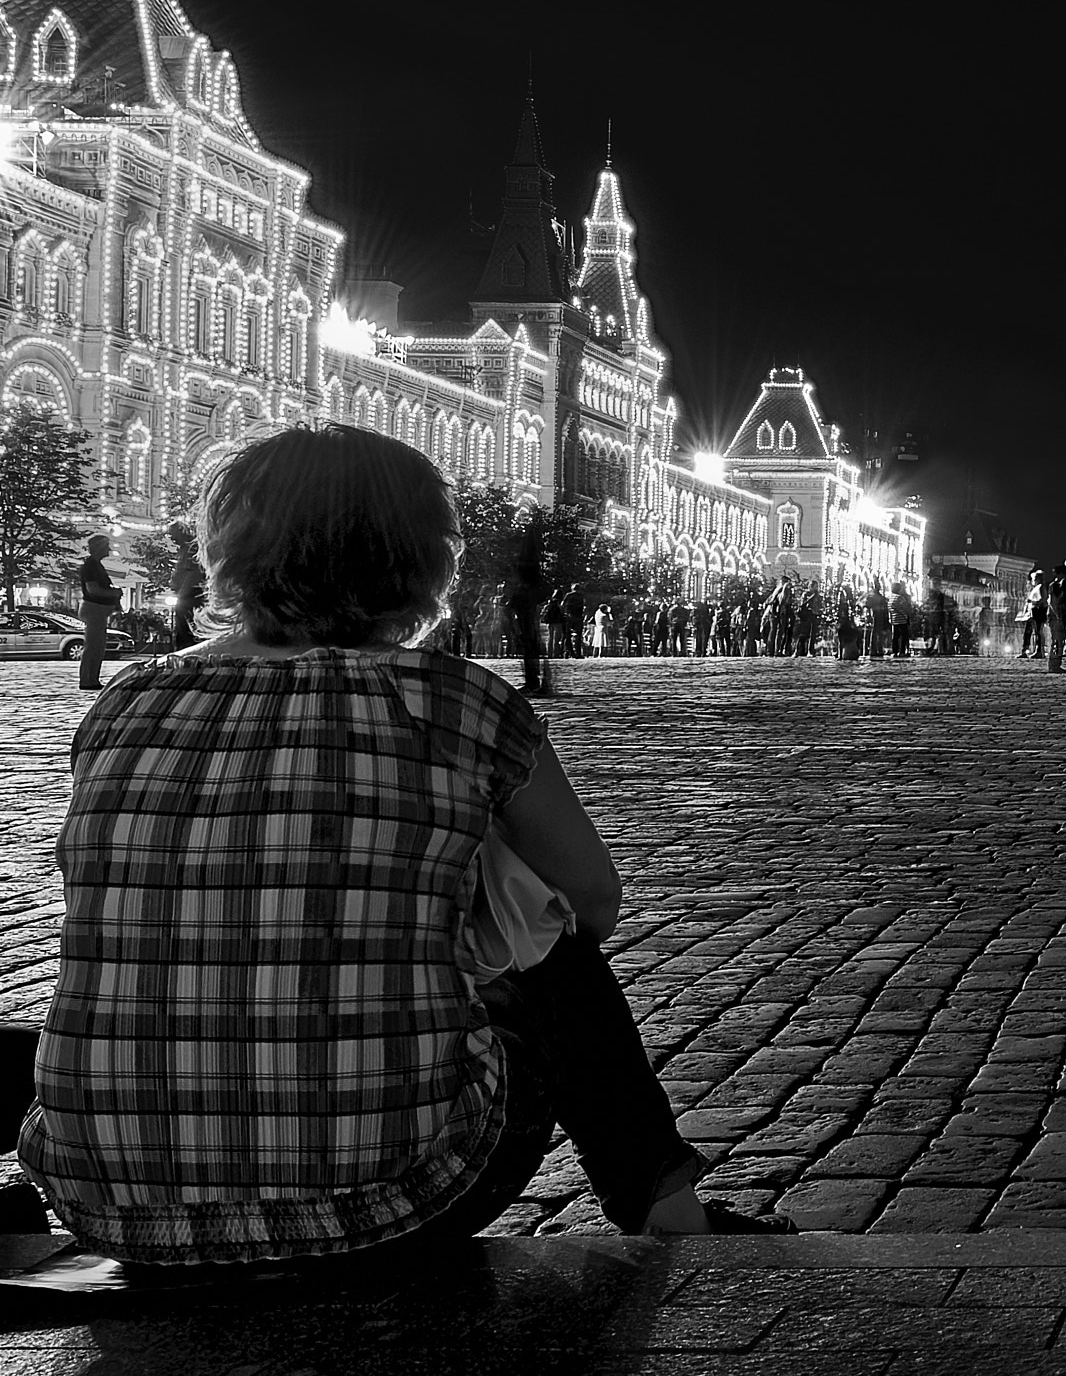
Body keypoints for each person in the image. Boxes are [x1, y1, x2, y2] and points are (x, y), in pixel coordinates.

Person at [8, 425, 790, 1273]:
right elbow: (595, 899)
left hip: (111, 1202)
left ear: (228, 547)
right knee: (550, 941)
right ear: (422, 559)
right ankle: (670, 1211)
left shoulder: (126, 703)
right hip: (398, 1195)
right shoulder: (460, 703)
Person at [74, 533, 123, 691]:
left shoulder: (94, 565)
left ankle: (91, 678)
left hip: (97, 610)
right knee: (94, 646)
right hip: (94, 609)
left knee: (96, 646)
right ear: (98, 548)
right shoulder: (91, 566)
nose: (108, 549)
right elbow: (93, 589)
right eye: (106, 546)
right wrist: (113, 593)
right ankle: (88, 680)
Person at [505, 519, 547, 695]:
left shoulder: (526, 567)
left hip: (526, 611)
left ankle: (533, 681)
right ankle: (535, 680)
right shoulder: (533, 565)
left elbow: (523, 588)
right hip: (528, 610)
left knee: (529, 646)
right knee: (531, 646)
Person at [169, 523, 206, 650]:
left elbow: (194, 572)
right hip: (185, 594)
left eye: (173, 533)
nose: (171, 537)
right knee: (182, 628)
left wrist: (183, 592)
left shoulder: (193, 547)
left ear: (181, 531)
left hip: (191, 594)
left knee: (187, 628)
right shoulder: (183, 549)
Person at [1022, 569, 1049, 658]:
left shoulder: (1041, 587)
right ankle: (1025, 650)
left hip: (1038, 612)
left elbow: (1043, 599)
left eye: (1033, 578)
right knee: (1028, 632)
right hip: (1032, 613)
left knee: (1037, 632)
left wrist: (1032, 601)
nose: (1032, 580)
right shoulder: (1036, 588)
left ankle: (1039, 651)